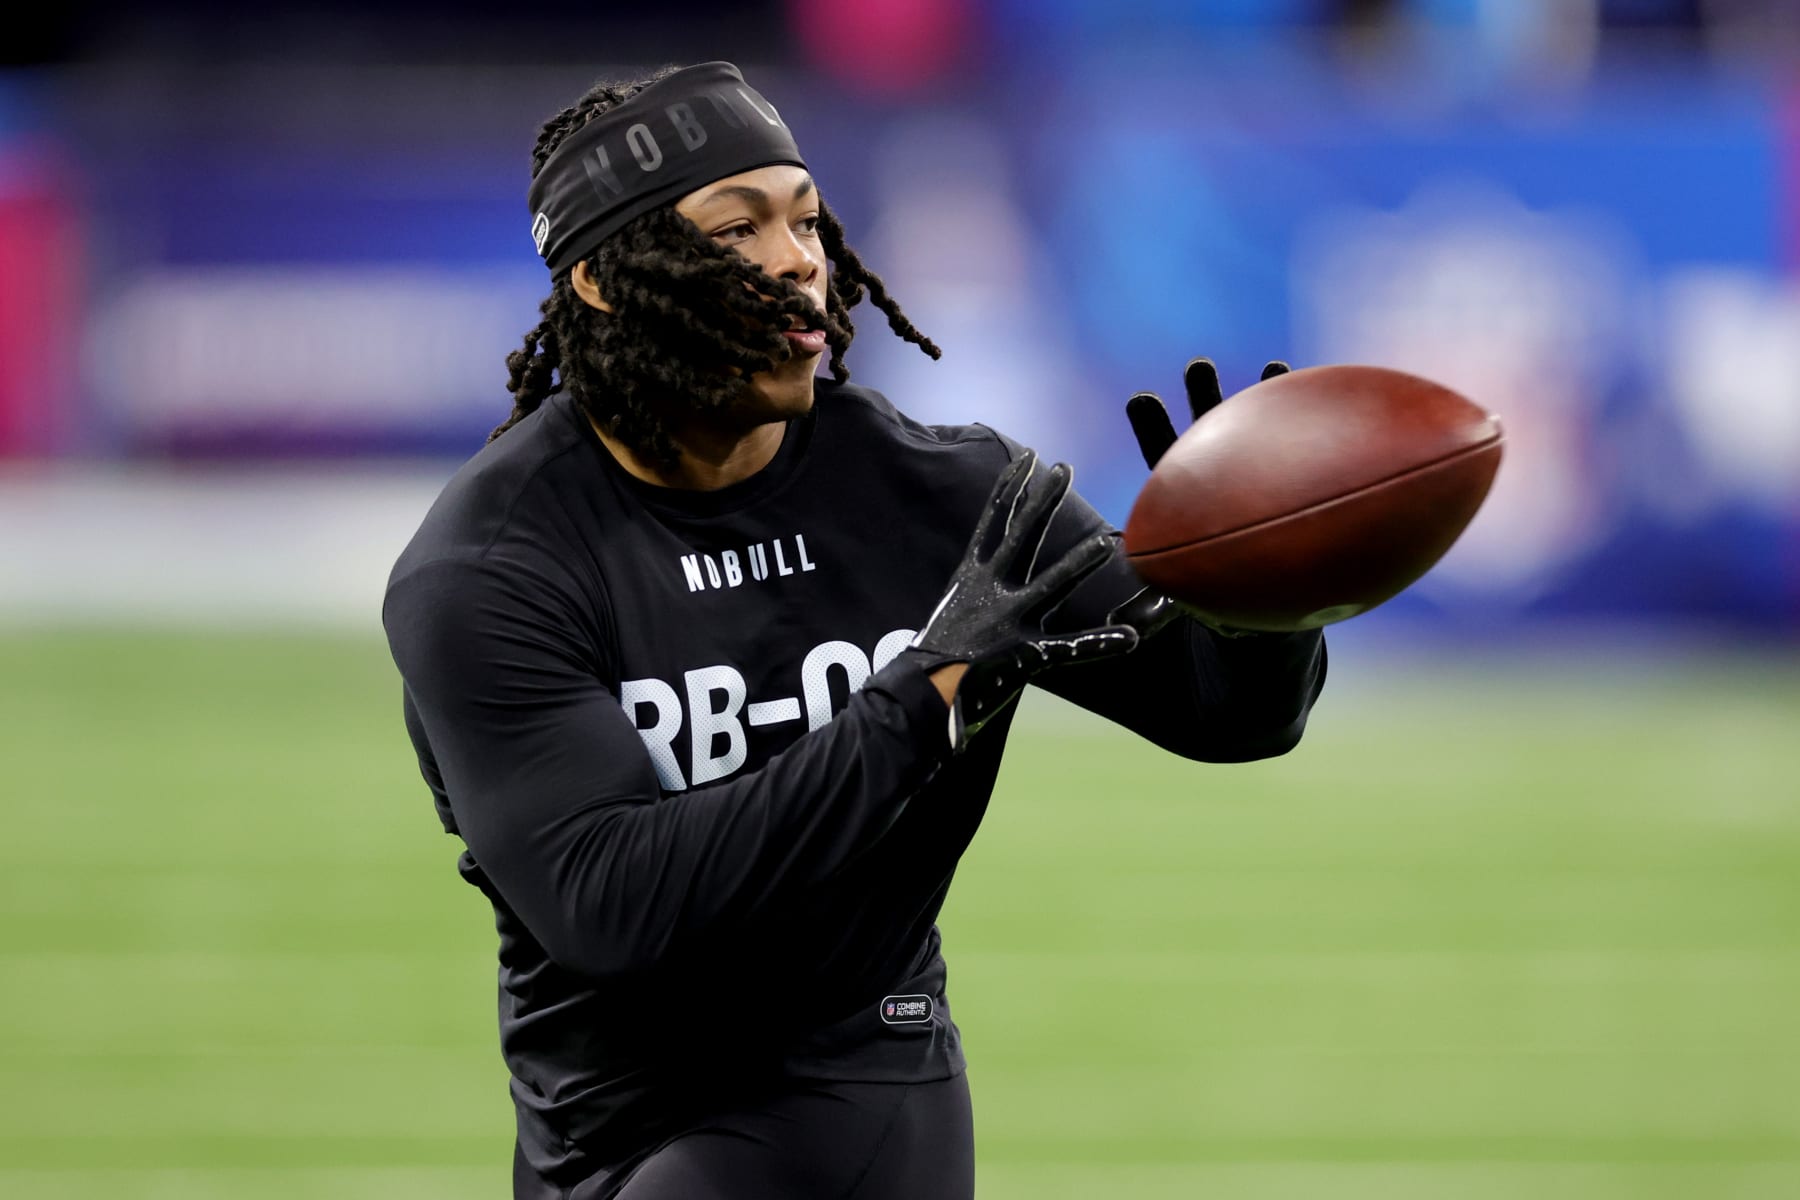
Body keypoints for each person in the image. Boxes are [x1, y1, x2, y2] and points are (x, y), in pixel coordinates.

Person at [383, 61, 1327, 1200]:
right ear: (600, 280)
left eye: (808, 218)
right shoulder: (495, 564)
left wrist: (1270, 593)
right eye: (738, 229)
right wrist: (922, 694)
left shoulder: (947, 500)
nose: (797, 258)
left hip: (849, 1084)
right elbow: (611, 906)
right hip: (586, 1119)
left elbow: (1224, 713)